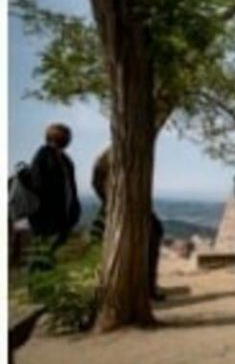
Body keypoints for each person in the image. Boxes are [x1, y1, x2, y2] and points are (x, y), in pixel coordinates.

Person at [91, 148, 166, 301]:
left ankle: (146, 287)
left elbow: (96, 184)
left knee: (154, 234)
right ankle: (146, 287)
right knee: (152, 236)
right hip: (122, 207)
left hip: (122, 207)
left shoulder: (104, 159)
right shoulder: (113, 160)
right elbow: (99, 184)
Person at [27, 124, 81, 260]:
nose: (68, 139)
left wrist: (74, 209)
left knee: (53, 250)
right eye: (64, 136)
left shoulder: (65, 159)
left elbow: (70, 187)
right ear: (53, 137)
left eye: (68, 136)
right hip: (45, 217)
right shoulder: (43, 155)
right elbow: (38, 185)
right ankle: (36, 277)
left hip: (63, 217)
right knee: (41, 252)